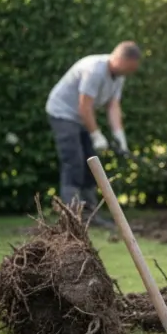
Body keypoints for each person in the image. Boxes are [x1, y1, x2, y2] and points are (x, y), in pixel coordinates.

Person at [45, 41, 141, 219]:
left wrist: (119, 136)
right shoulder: (95, 70)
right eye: (129, 68)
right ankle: (71, 217)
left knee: (92, 162)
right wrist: (96, 134)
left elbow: (113, 106)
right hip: (63, 113)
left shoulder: (119, 76)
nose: (129, 73)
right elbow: (84, 106)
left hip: (80, 117)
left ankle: (90, 215)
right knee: (74, 162)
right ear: (120, 59)